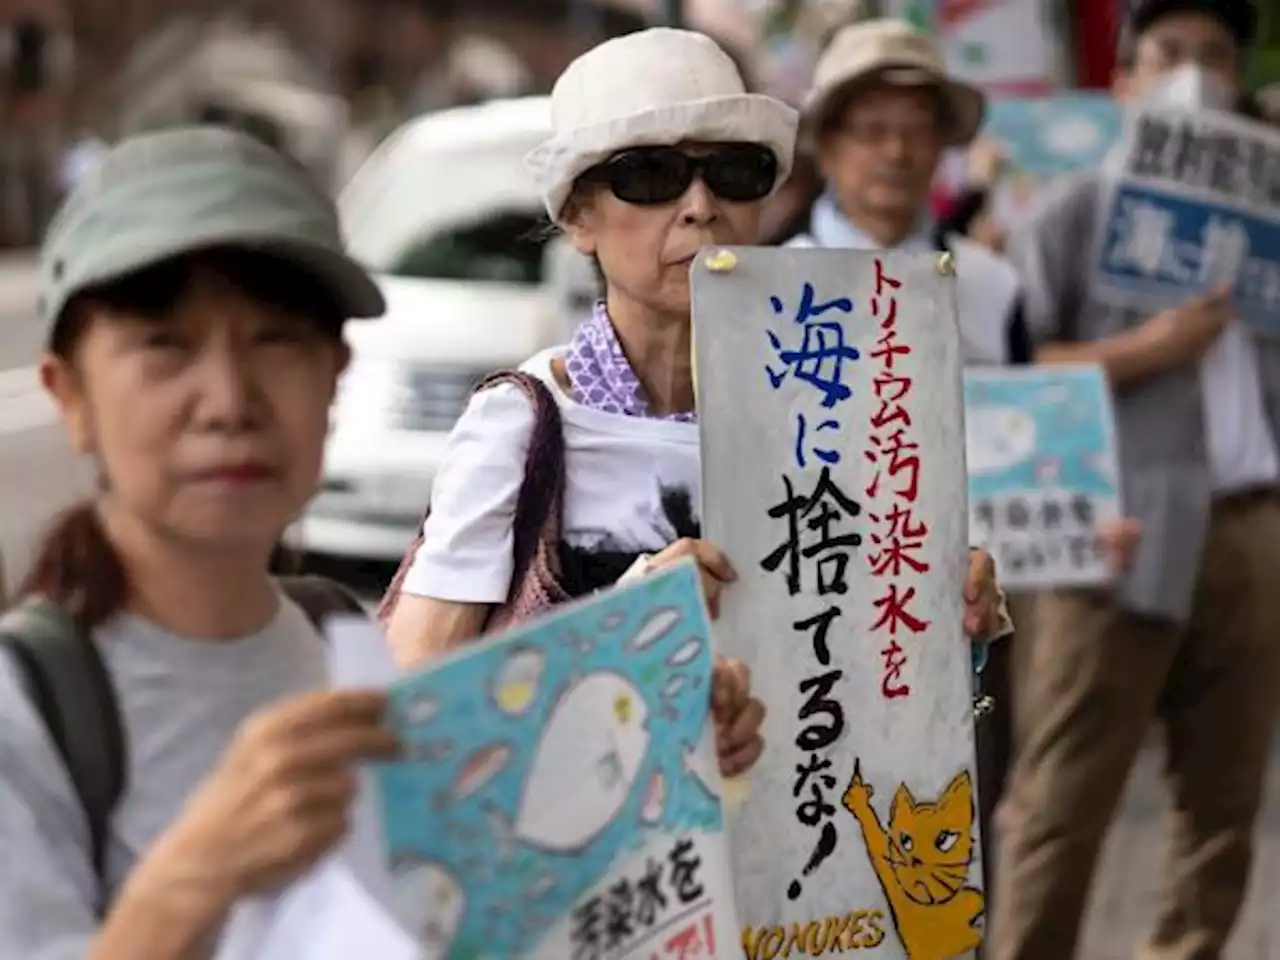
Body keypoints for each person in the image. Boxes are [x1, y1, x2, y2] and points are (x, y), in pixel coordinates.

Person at [380, 27, 1011, 779]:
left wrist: (952, 640)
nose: (700, 205)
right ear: (577, 217)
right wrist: (626, 632)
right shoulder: (524, 424)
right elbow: (406, 709)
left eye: (735, 172)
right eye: (649, 175)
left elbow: (877, 699)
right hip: (605, 876)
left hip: (787, 873)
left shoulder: (831, 409)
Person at [0, 126, 401, 958]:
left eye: (275, 340)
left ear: (335, 375)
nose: (227, 401)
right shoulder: (25, 711)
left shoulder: (346, 648)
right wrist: (196, 875)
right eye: (164, 345)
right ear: (68, 394)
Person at [991, 3, 1278, 959]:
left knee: (1224, 803)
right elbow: (1016, 371)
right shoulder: (1075, 209)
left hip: (1248, 527)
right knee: (1062, 801)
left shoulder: (1270, 219)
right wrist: (1152, 348)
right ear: (1124, 85)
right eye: (1167, 55)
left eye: (1213, 56)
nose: (1192, 74)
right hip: (1110, 532)